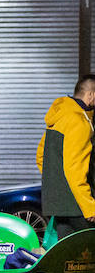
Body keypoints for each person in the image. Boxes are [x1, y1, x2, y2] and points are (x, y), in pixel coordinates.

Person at [36, 75, 95, 239]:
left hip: (59, 205)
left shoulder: (60, 116)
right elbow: (75, 168)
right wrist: (89, 206)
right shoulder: (79, 122)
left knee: (68, 257)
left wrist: (57, 183)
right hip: (78, 206)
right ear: (90, 95)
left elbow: (41, 156)